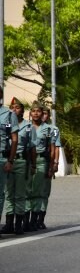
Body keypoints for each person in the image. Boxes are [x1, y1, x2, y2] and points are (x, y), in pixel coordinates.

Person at [1, 98, 34, 236]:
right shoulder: (9, 121)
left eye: (18, 107)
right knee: (8, 193)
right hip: (8, 158)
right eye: (13, 107)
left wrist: (32, 164)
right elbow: (8, 135)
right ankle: (9, 224)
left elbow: (32, 147)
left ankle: (19, 224)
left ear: (22, 110)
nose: (15, 109)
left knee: (20, 194)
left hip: (20, 161)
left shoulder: (28, 126)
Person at [26, 101, 54, 231]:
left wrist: (52, 166)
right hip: (27, 161)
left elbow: (53, 148)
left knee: (37, 192)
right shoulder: (25, 126)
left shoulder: (50, 129)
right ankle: (24, 220)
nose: (36, 113)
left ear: (43, 114)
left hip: (41, 160)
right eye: (33, 111)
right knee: (25, 191)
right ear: (30, 113)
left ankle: (35, 220)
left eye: (38, 111)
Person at [0, 90, 20, 238]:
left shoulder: (8, 115)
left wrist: (10, 160)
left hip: (1, 159)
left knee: (0, 195)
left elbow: (14, 139)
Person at [39, 105, 61, 229]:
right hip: (33, 161)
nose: (43, 116)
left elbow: (56, 147)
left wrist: (55, 163)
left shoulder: (53, 129)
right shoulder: (30, 127)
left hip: (47, 161)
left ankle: (41, 218)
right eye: (42, 113)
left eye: (46, 114)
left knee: (44, 191)